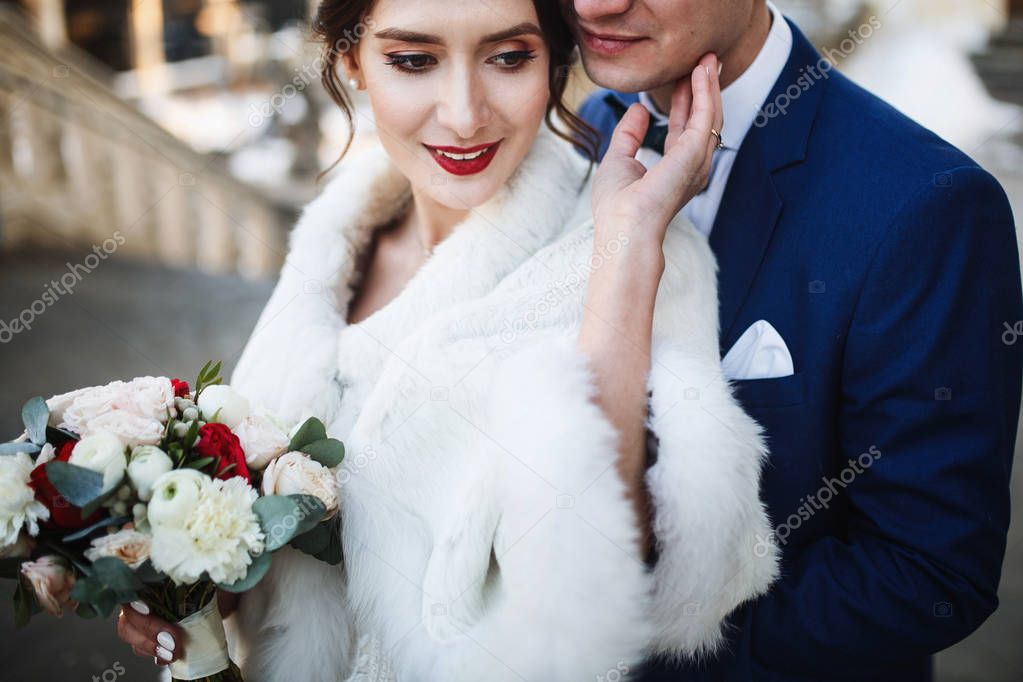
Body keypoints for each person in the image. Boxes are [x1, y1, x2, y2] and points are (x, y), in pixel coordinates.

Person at [114, 1, 778, 680]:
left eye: (509, 57)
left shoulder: (638, 251)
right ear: (351, 62)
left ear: (554, 62)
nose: (464, 115)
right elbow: (263, 572)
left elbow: (612, 586)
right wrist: (187, 579)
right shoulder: (330, 245)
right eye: (412, 61)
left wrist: (627, 247)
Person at [570, 0, 1023, 680]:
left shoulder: (925, 203)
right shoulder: (568, 137)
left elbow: (925, 574)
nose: (590, 4)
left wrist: (618, 636)